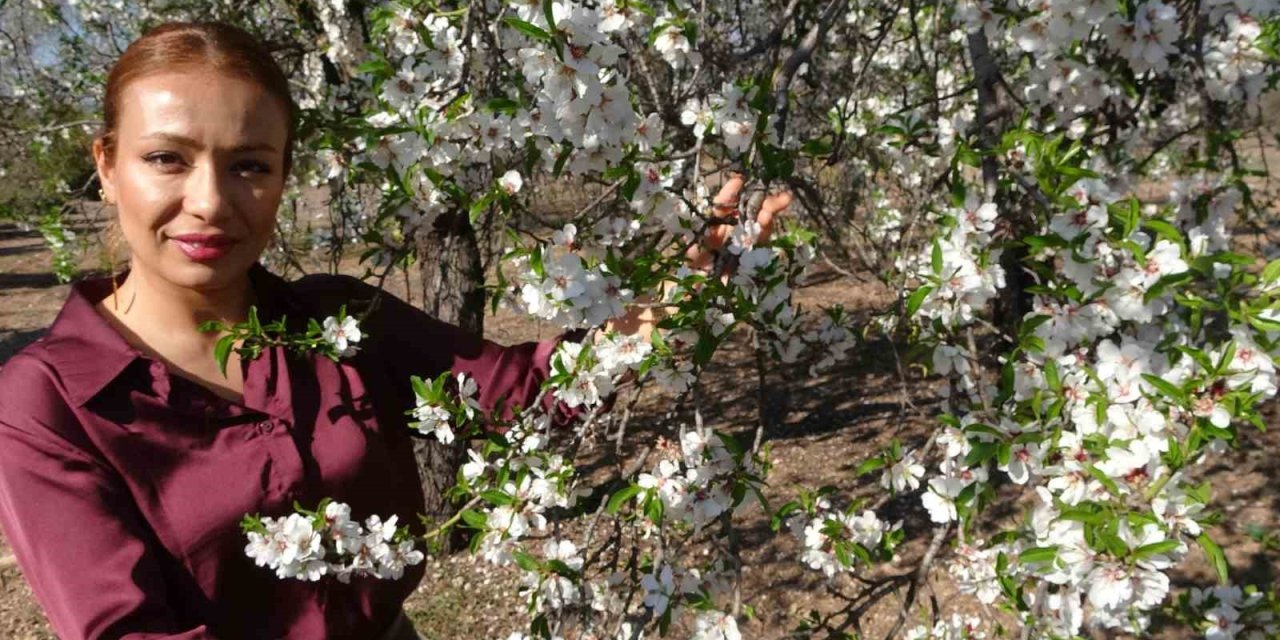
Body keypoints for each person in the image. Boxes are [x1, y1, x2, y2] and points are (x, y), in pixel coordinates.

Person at [0, 20, 791, 640]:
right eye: (167, 159)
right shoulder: (47, 403)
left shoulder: (337, 321)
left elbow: (522, 396)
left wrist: (672, 300)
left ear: (283, 177)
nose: (209, 201)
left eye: (249, 165)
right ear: (107, 165)